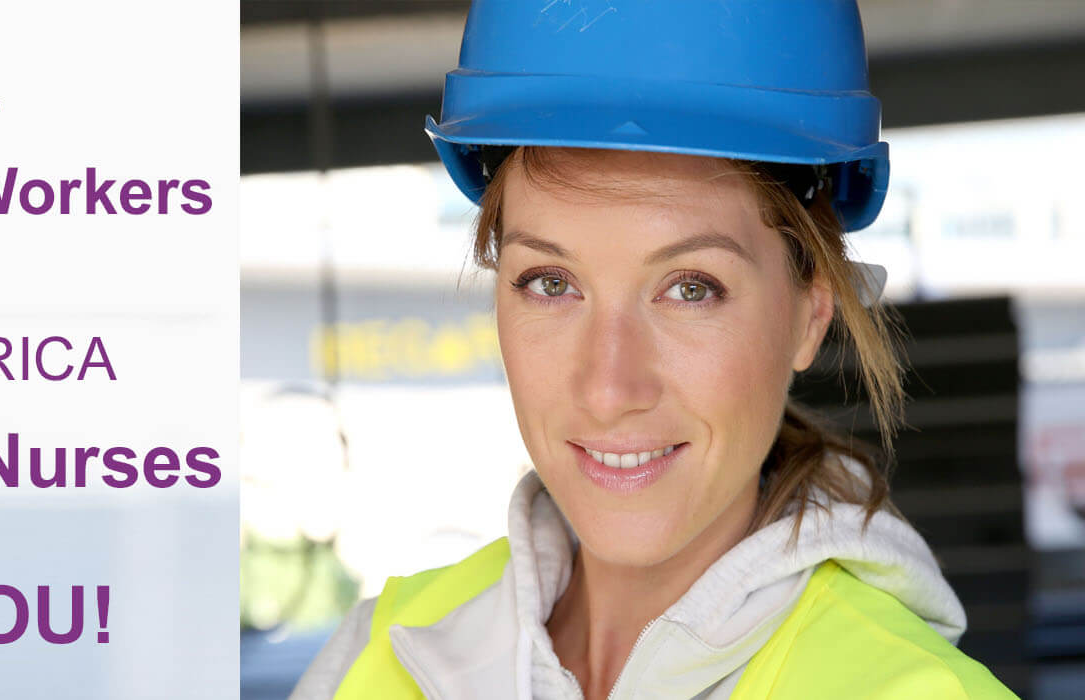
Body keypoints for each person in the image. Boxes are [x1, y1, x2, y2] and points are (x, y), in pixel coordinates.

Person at [289, 2, 1019, 698]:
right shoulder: (378, 659)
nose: (609, 387)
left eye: (691, 289)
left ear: (809, 316)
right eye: (550, 282)